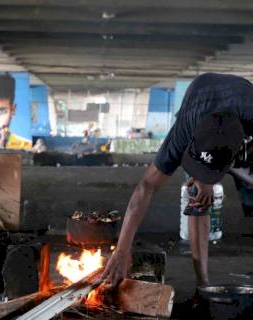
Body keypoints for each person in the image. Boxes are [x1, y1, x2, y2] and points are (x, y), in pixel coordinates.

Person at [102, 73, 253, 290]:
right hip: (201, 97)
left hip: (240, 107)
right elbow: (146, 186)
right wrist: (122, 249)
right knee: (197, 197)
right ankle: (203, 285)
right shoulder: (183, 133)